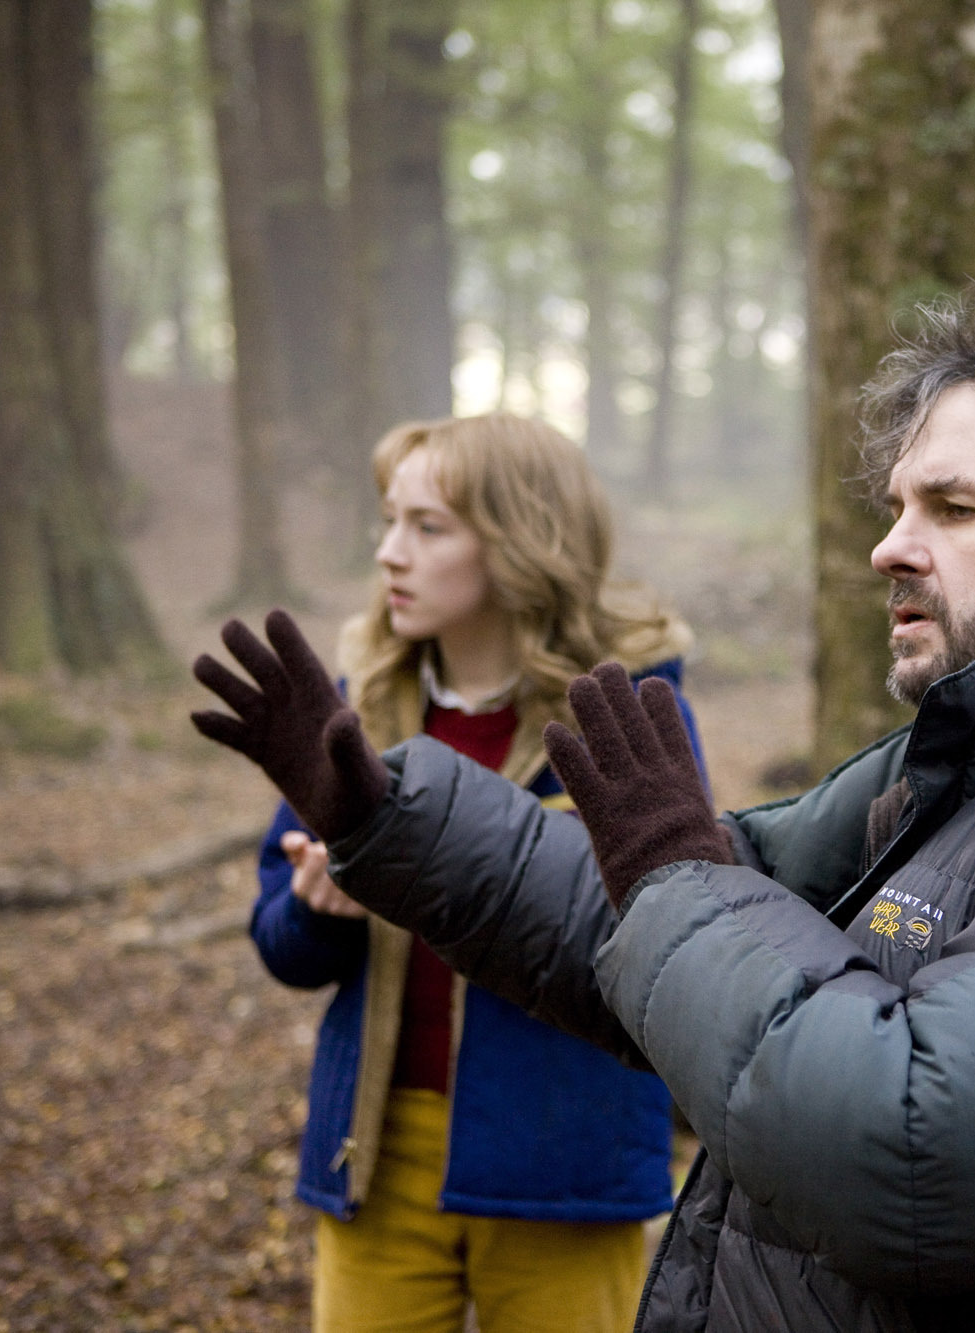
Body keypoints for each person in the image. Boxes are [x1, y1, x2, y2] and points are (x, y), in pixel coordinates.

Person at [195, 289, 975, 1333]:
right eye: (896, 505)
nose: (887, 546)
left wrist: (675, 873)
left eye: (949, 509)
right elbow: (655, 928)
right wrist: (384, 815)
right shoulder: (950, 776)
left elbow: (921, 1156)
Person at [244, 413, 699, 1333]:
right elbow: (282, 947)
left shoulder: (624, 711)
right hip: (377, 1153)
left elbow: (679, 933)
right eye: (387, 521)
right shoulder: (360, 709)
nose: (388, 554)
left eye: (427, 526)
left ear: (521, 541)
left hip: (567, 1160)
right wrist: (316, 904)